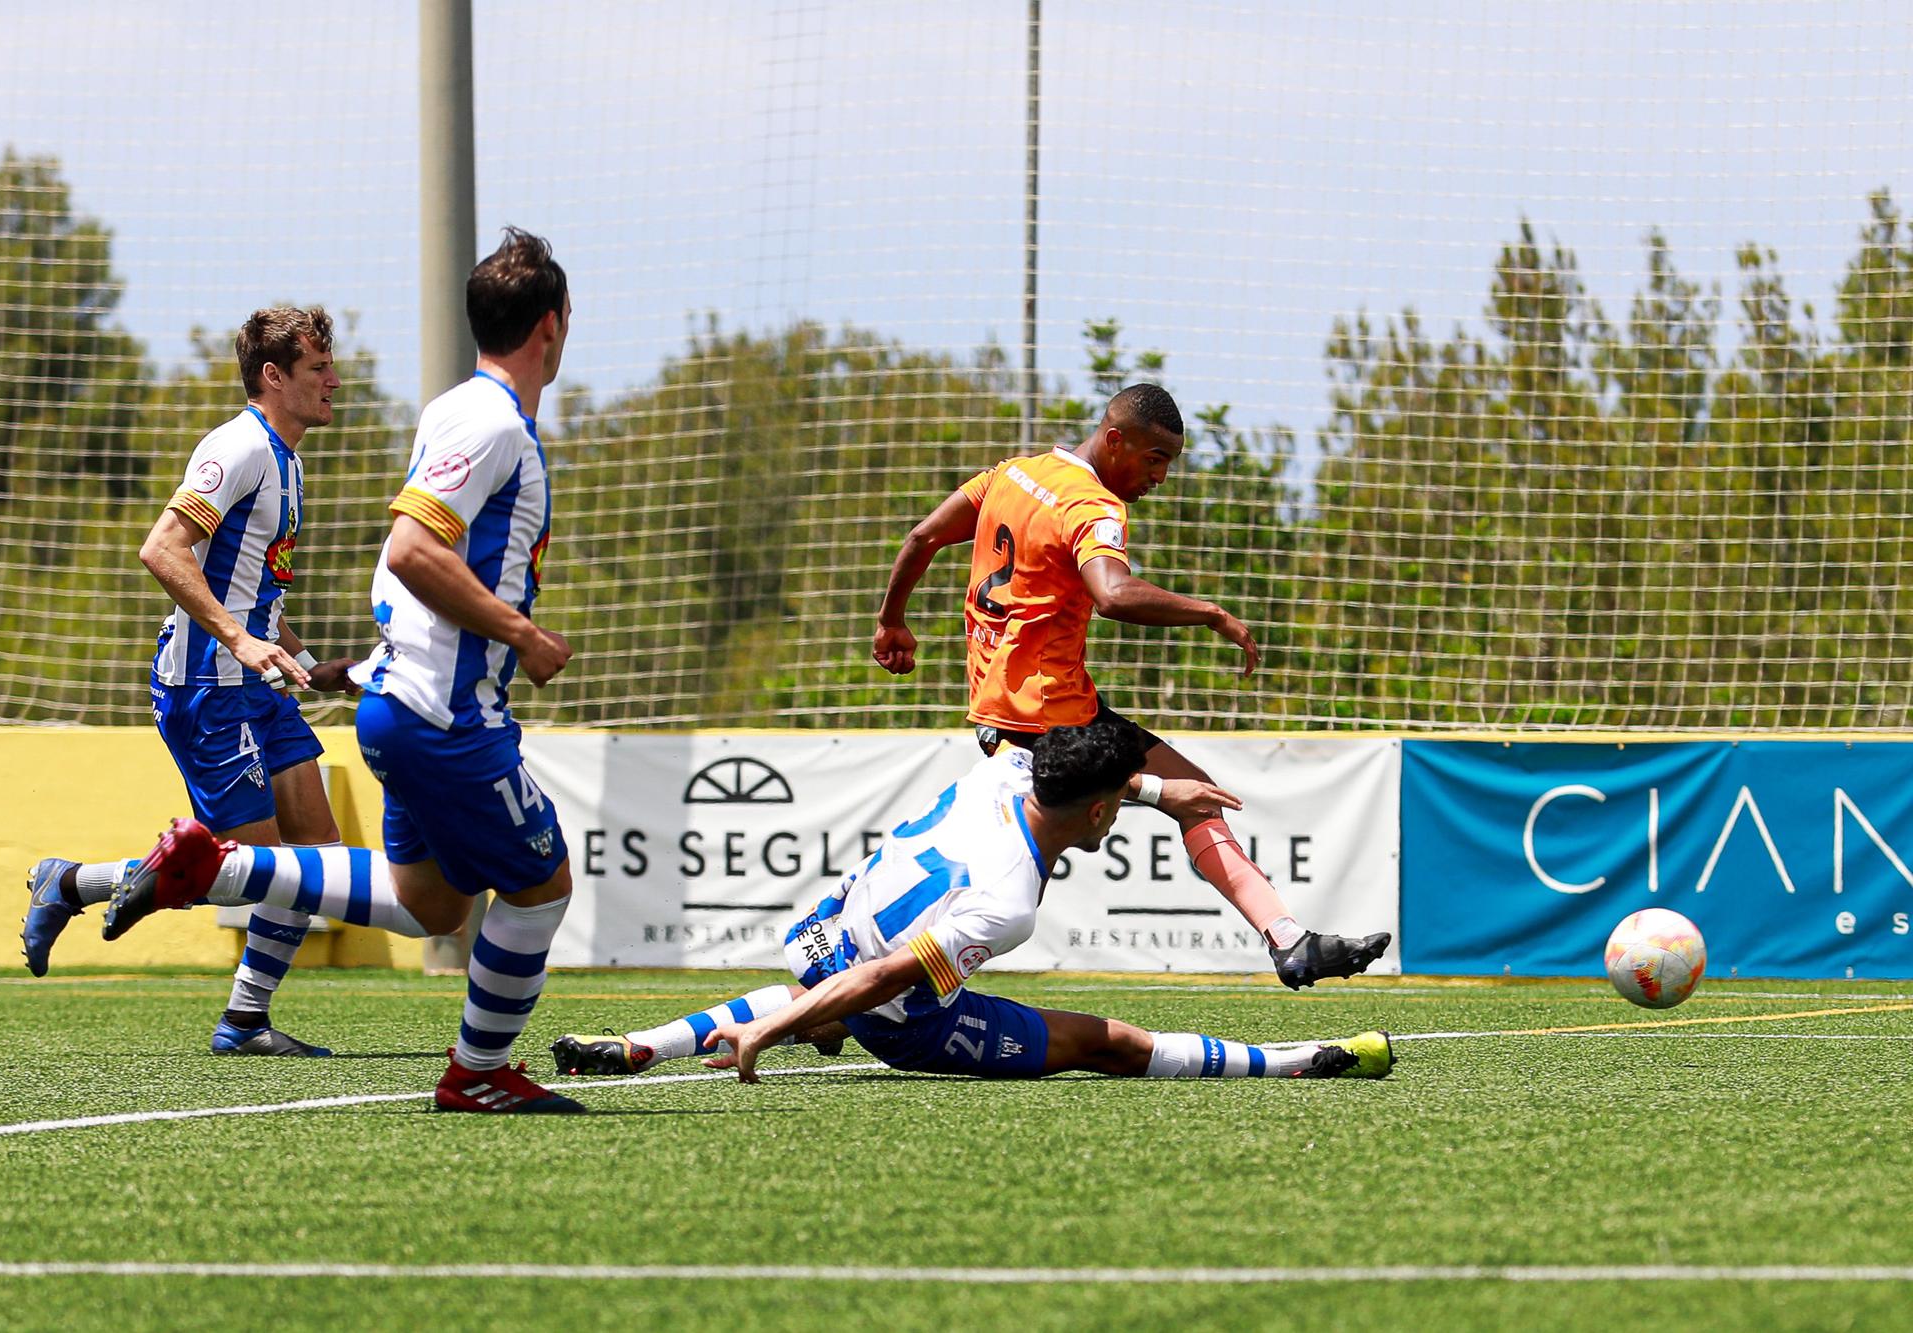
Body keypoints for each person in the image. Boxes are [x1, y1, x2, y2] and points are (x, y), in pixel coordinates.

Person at [97, 227, 585, 1115]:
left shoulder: (441, 413)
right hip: (416, 707)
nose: (332, 378)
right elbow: (405, 548)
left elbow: (387, 558)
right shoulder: (473, 425)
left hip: (388, 697)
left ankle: (209, 876)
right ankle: (475, 1072)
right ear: (552, 326)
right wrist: (524, 633)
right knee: (544, 884)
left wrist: (343, 661)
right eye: (315, 364)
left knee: (431, 903)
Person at [871, 383, 1390, 990]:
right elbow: (1113, 594)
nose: (1162, 477)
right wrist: (1210, 613)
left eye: (1169, 461)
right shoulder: (1092, 507)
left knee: (1191, 794)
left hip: (1050, 707)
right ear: (1115, 440)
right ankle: (836, 992)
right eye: (1154, 459)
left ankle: (1290, 942)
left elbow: (922, 537)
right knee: (993, 901)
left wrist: (891, 621)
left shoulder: (1014, 474)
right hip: (1042, 722)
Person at [550, 714, 1393, 1085]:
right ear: (1099, 810)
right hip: (897, 1008)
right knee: (1114, 1046)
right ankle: (1298, 1058)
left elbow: (1074, 766)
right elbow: (888, 980)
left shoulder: (1004, 769)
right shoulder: (1009, 901)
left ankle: (644, 1044)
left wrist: (1157, 791)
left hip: (821, 928)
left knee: (822, 997)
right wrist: (775, 1029)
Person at [20, 306, 362, 1057]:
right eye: (317, 369)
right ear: (273, 377)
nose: (335, 380)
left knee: (317, 858)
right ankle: (73, 882)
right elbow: (163, 549)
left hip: (255, 687)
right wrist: (240, 639)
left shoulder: (287, 458)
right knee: (253, 872)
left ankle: (243, 1020)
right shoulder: (236, 447)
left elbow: (253, 592)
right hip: (207, 690)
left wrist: (306, 662)